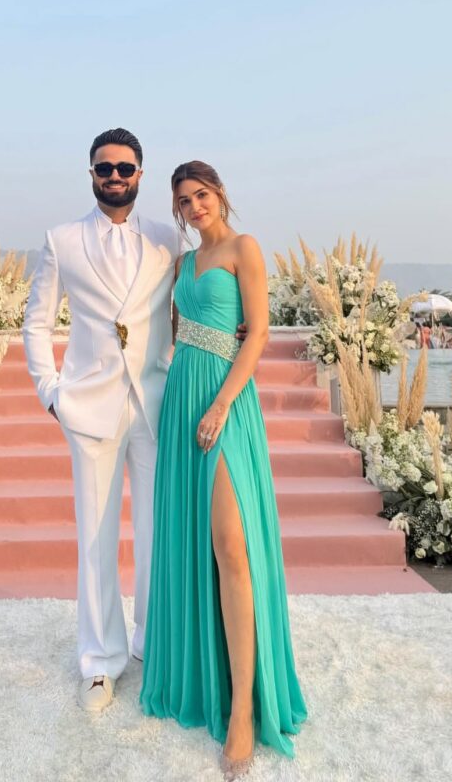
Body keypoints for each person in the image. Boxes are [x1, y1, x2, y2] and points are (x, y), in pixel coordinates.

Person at [140, 161, 307, 778]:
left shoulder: (244, 248)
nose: (194, 206)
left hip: (225, 403)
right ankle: (202, 677)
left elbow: (257, 334)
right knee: (197, 545)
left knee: (233, 547)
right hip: (182, 396)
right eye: (183, 201)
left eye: (201, 194)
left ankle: (243, 706)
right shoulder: (182, 264)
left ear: (220, 194)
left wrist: (220, 403)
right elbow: (174, 329)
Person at [22, 128, 183, 712]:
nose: (115, 176)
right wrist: (51, 393)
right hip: (88, 405)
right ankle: (99, 660)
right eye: (104, 168)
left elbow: (186, 310)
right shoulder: (61, 240)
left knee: (158, 532)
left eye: (124, 168)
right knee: (95, 536)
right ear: (90, 173)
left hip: (156, 402)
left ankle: (152, 641)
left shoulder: (169, 239)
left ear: (140, 173)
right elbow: (36, 322)